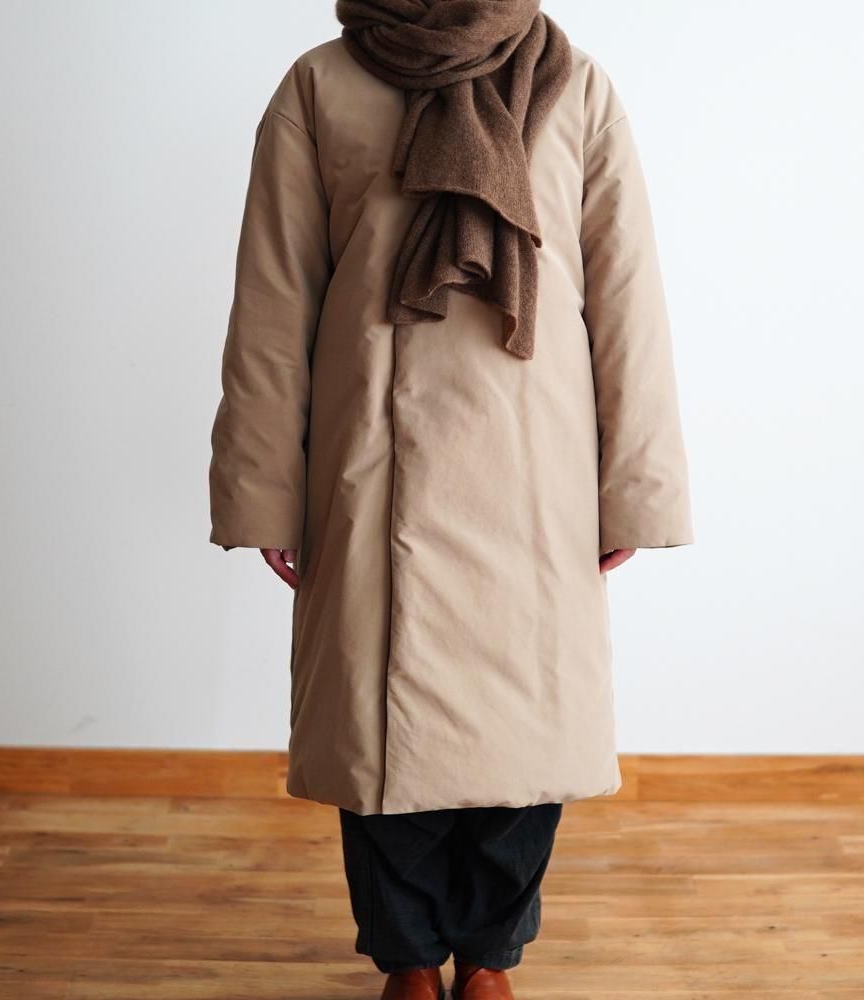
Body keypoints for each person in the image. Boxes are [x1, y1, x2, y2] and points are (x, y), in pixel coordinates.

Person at [208, 1, 694, 997]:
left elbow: (626, 297)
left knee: (527, 730)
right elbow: (273, 302)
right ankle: (410, 960)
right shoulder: (322, 84)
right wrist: (265, 489)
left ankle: (489, 957)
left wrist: (634, 492)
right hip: (373, 465)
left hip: (538, 468)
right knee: (379, 730)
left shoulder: (573, 84)